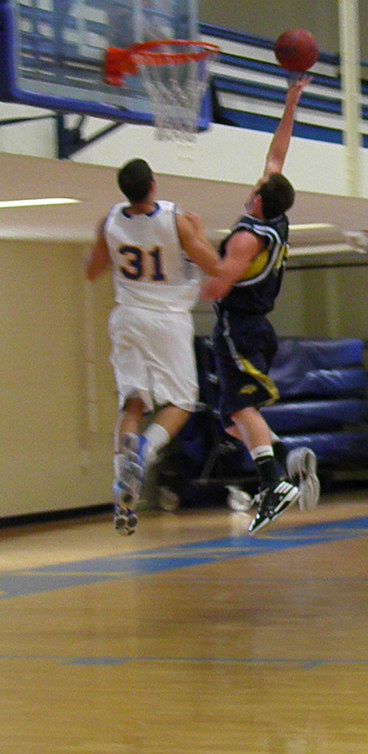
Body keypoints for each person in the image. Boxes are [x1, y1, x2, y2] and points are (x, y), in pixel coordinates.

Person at [201, 75, 319, 535]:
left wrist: (184, 267)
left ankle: (274, 483)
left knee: (239, 408)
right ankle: (287, 456)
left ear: (258, 201)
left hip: (239, 326)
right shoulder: (277, 219)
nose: (251, 187)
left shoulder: (249, 237)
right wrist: (291, 100)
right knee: (231, 422)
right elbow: (277, 154)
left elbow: (217, 287)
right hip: (252, 328)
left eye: (255, 188)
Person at [86, 158, 223, 536]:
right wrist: (199, 230)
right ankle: (143, 453)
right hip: (166, 318)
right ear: (154, 185)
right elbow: (214, 265)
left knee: (132, 402)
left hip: (127, 316)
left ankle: (122, 483)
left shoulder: (109, 220)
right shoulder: (176, 219)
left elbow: (91, 270)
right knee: (181, 401)